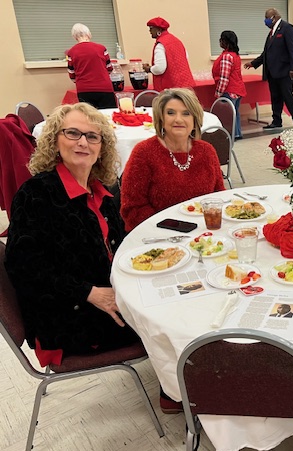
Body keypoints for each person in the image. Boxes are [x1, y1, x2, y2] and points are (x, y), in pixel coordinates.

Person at [4, 103, 139, 367]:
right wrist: (90, 293)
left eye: (92, 136)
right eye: (73, 133)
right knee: (169, 318)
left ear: (101, 148)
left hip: (108, 297)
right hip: (67, 320)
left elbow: (117, 248)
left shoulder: (99, 190)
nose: (83, 142)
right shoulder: (36, 195)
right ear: (55, 141)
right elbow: (23, 267)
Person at [120, 88, 225, 231]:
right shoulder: (143, 153)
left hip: (203, 231)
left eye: (186, 113)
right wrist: (170, 230)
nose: (178, 119)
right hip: (157, 233)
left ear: (195, 119)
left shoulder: (207, 151)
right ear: (161, 119)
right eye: (170, 113)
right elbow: (132, 208)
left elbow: (219, 196)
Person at [244, 8, 293, 132]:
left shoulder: (287, 28)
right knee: (275, 97)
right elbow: (266, 53)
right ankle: (277, 121)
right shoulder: (271, 33)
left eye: (267, 18)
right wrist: (254, 63)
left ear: (274, 17)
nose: (265, 21)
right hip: (272, 72)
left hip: (285, 71)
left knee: (287, 96)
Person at [66, 23, 116, 109]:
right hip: (104, 88)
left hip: (84, 90)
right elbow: (109, 68)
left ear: (74, 37)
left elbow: (72, 75)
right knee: (108, 114)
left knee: (88, 116)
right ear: (89, 34)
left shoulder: (71, 52)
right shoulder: (101, 48)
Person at [212, 30, 247, 140]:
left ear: (225, 42)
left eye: (221, 40)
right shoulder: (235, 55)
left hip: (229, 90)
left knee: (228, 114)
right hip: (237, 89)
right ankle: (237, 133)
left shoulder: (227, 56)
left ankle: (230, 135)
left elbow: (224, 77)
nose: (219, 42)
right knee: (235, 113)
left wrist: (218, 93)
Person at [144, 17, 195, 91]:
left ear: (159, 29)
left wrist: (149, 69)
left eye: (151, 28)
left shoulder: (161, 45)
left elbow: (160, 68)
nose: (149, 31)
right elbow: (185, 58)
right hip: (186, 85)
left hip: (171, 88)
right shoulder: (177, 41)